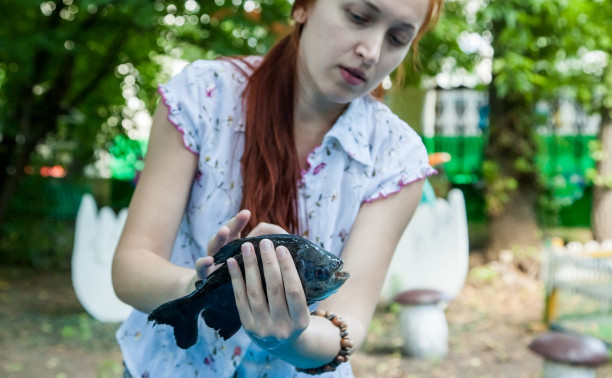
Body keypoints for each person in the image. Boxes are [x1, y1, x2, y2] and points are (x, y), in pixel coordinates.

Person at [112, 0, 442, 376]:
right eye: (358, 17)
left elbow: (346, 324)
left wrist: (289, 338)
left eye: (398, 38)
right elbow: (130, 266)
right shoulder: (204, 95)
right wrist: (203, 286)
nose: (372, 51)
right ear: (303, 7)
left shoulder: (397, 156)